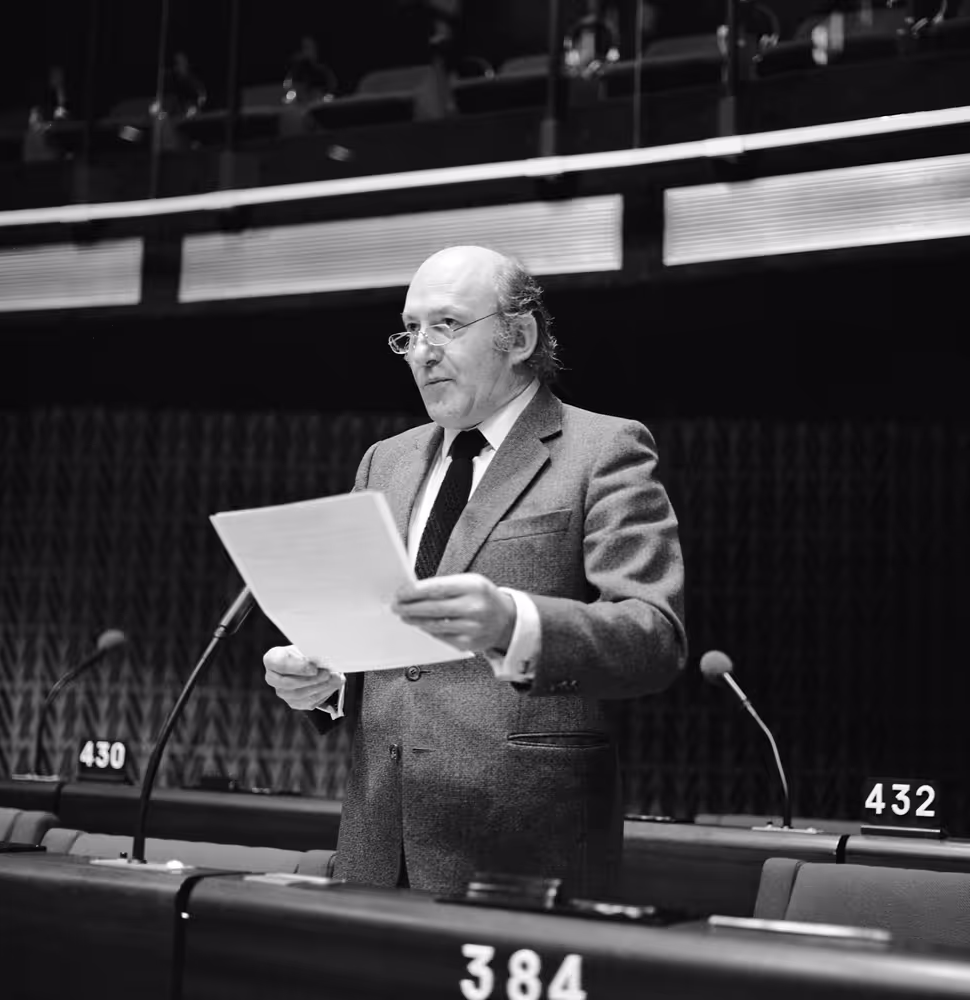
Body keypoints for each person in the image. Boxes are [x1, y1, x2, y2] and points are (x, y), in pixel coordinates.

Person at [263, 245, 686, 896]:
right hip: (377, 845)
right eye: (410, 331)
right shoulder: (385, 462)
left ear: (519, 337)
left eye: (447, 325)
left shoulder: (603, 450)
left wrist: (514, 623)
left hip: (524, 846)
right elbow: (378, 643)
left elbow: (652, 638)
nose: (421, 351)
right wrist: (324, 681)